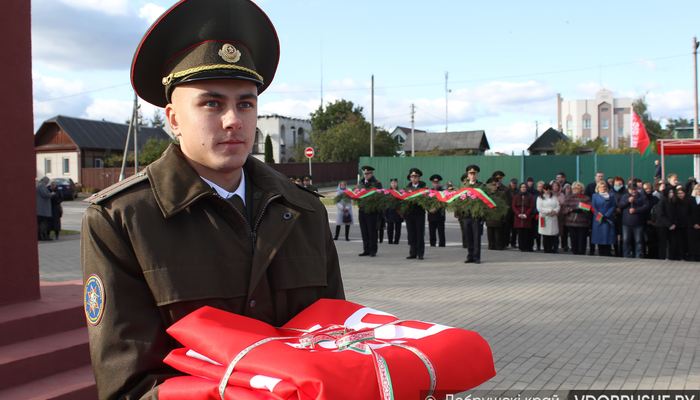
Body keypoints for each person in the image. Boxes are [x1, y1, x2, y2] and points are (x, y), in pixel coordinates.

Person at [80, 1, 345, 398]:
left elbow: (337, 340)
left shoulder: (303, 211)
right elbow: (129, 387)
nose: (233, 120)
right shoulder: (123, 221)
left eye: (245, 103)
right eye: (211, 103)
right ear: (173, 119)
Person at [618, 182, 650, 258]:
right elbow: (620, 205)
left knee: (638, 241)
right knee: (626, 241)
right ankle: (626, 255)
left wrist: (636, 210)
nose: (634, 191)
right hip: (626, 223)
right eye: (632, 189)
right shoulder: (625, 197)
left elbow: (646, 206)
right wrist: (628, 201)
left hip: (638, 223)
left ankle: (638, 255)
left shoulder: (642, 197)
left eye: (635, 189)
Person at [358, 165, 382, 257]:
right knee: (364, 230)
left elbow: (378, 196)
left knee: (372, 231)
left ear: (371, 174)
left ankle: (373, 250)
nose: (366, 175)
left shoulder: (376, 183)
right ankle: (366, 249)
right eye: (365, 174)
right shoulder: (361, 183)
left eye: (368, 174)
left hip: (371, 211)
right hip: (362, 210)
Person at [462, 165, 484, 263]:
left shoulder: (481, 186)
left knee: (476, 237)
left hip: (476, 216)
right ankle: (470, 255)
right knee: (468, 236)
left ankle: (476, 257)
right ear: (468, 175)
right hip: (466, 215)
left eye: (474, 174)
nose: (472, 176)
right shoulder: (465, 187)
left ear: (477, 175)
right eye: (470, 174)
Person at [563, 182, 592, 255]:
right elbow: (564, 208)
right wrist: (570, 210)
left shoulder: (586, 198)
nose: (575, 190)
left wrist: (582, 210)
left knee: (582, 239)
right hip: (571, 222)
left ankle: (581, 252)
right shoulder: (570, 198)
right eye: (574, 189)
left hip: (582, 222)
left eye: (577, 189)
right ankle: (575, 252)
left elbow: (589, 208)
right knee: (573, 239)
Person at [404, 168, 426, 259]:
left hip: (419, 214)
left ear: (419, 178)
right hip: (409, 214)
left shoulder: (423, 187)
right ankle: (412, 252)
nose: (414, 179)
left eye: (416, 177)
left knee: (419, 233)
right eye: (412, 177)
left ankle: (420, 253)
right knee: (411, 233)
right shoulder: (407, 188)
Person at [591, 181, 616, 256]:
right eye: (601, 187)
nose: (603, 188)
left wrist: (607, 215)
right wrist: (599, 215)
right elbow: (593, 207)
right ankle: (600, 252)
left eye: (604, 187)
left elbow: (613, 206)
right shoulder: (594, 196)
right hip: (598, 218)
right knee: (599, 236)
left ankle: (607, 252)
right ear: (598, 188)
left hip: (608, 217)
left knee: (608, 235)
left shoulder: (611, 196)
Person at [656, 187, 680, 260]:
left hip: (672, 226)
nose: (672, 194)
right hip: (662, 226)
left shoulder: (673, 202)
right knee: (663, 244)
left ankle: (671, 257)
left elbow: (676, 214)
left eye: (672, 193)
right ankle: (662, 258)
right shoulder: (662, 202)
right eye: (670, 193)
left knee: (673, 243)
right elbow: (660, 215)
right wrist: (669, 224)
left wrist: (674, 223)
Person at [536, 182, 560, 253]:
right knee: (545, 235)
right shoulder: (540, 198)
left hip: (553, 218)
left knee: (552, 234)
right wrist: (550, 210)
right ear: (543, 190)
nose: (548, 191)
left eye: (549, 189)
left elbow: (558, 206)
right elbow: (539, 208)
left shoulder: (553, 197)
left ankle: (552, 248)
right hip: (544, 218)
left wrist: (555, 211)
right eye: (546, 189)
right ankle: (546, 248)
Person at [485, 177, 507, 250]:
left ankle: (498, 246)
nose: (493, 187)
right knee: (490, 234)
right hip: (489, 217)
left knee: (498, 234)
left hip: (498, 218)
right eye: (492, 185)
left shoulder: (501, 194)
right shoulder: (487, 195)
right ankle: (491, 246)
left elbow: (505, 206)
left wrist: (504, 217)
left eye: (495, 185)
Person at [512, 182, 535, 252]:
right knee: (520, 233)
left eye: (524, 187)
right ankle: (521, 246)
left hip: (526, 218)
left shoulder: (530, 196)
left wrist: (526, 214)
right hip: (518, 218)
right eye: (522, 187)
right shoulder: (516, 196)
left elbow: (532, 206)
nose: (523, 188)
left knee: (526, 233)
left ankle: (526, 246)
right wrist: (519, 214)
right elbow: (513, 206)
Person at [642, 182, 660, 259]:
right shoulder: (642, 198)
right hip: (644, 222)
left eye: (649, 188)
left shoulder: (655, 199)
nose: (648, 190)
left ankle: (654, 255)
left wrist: (653, 220)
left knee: (654, 241)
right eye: (646, 189)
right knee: (643, 240)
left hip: (654, 222)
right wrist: (646, 220)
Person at [428, 174, 446, 247]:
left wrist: (437, 209)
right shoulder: (429, 191)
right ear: (432, 183)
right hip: (431, 215)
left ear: (439, 183)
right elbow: (426, 203)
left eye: (437, 183)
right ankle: (432, 245)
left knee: (441, 232)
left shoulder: (443, 191)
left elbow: (444, 202)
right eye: (434, 183)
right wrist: (429, 209)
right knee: (432, 232)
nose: (436, 184)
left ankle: (442, 245)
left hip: (440, 215)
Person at [384, 178, 403, 245]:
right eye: (392, 183)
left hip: (397, 212)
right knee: (390, 228)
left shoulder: (400, 192)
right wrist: (385, 214)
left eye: (395, 183)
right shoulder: (388, 192)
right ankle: (390, 240)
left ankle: (396, 241)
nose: (394, 184)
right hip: (390, 212)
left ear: (397, 184)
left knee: (398, 228)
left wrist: (402, 212)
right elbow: (385, 204)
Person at [611, 176, 626, 257]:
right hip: (613, 215)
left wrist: (620, 208)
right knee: (614, 234)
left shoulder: (625, 191)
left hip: (623, 216)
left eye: (620, 181)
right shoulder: (611, 191)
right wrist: (614, 210)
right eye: (617, 181)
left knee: (622, 235)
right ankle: (616, 251)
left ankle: (622, 252)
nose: (619, 183)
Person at [36, 176, 54, 241]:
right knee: (43, 223)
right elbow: (45, 194)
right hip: (42, 209)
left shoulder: (38, 185)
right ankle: (43, 236)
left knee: (39, 223)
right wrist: (51, 194)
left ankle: (39, 236)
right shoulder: (41, 186)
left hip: (39, 209)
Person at [687, 183, 700, 261]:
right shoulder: (690, 200)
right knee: (693, 242)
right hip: (693, 225)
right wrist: (693, 224)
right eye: (697, 189)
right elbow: (687, 213)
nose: (699, 190)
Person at [508, 177, 519, 248]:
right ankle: (506, 242)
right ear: (510, 183)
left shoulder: (518, 191)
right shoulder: (507, 190)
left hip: (515, 212)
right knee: (507, 228)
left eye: (515, 183)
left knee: (514, 229)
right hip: (509, 211)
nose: (514, 184)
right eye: (513, 183)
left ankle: (513, 243)